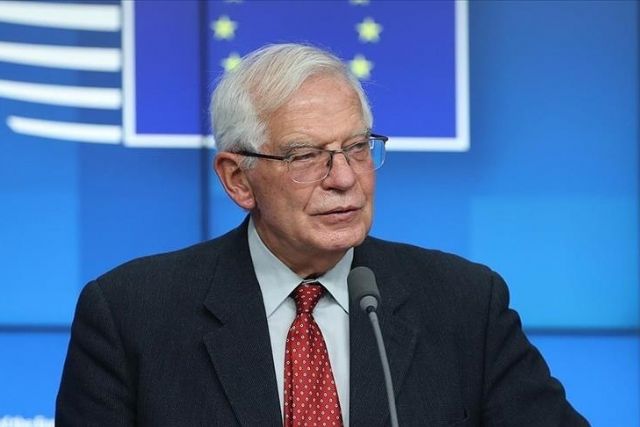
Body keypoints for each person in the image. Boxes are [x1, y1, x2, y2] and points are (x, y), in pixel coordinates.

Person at [56, 43, 588, 426]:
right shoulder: (131, 315)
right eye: (306, 156)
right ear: (238, 179)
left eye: (357, 147)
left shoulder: (464, 302)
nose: (344, 178)